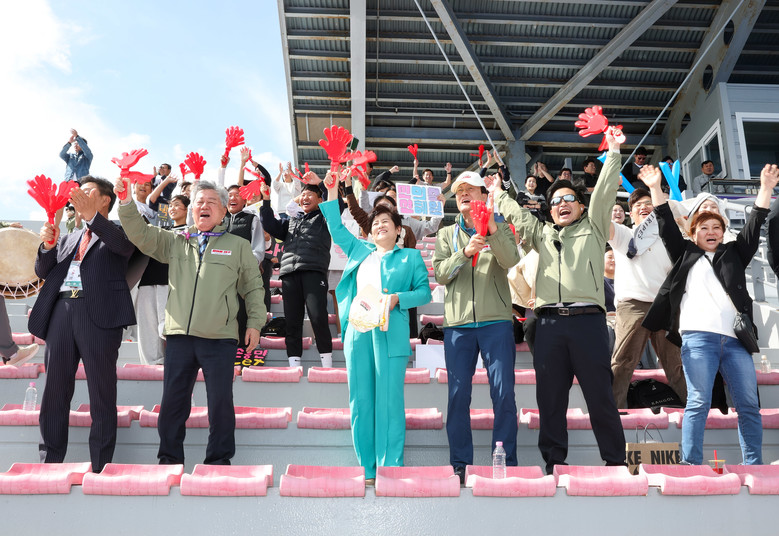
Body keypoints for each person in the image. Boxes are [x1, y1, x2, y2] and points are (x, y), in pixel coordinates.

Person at [491, 129, 626, 475]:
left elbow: (605, 191)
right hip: (549, 324)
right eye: (554, 201)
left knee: (600, 396)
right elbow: (519, 216)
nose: (561, 204)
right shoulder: (542, 234)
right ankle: (554, 463)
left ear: (580, 205)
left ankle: (616, 461)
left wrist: (612, 151)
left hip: (588, 324)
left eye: (568, 199)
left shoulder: (594, 227)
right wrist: (498, 194)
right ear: (549, 211)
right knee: (550, 399)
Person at [116, 178, 265, 466]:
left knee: (220, 402)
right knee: (173, 402)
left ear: (223, 211)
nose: (204, 206)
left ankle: (219, 460)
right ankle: (169, 459)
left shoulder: (238, 245)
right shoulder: (176, 240)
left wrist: (255, 323)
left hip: (219, 338)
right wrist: (125, 202)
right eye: (199, 202)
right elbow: (140, 233)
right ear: (192, 209)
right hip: (179, 337)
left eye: (212, 202)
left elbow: (253, 288)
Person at [641, 163, 779, 466]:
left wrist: (766, 188)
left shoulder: (734, 253)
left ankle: (753, 463)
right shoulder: (685, 253)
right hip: (698, 339)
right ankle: (691, 462)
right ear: (693, 232)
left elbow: (755, 221)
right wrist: (654, 188)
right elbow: (664, 221)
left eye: (716, 227)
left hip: (736, 342)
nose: (711, 231)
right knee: (698, 402)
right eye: (703, 227)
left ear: (723, 231)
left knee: (748, 405)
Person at [320, 171, 430, 481]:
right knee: (361, 400)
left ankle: (390, 466)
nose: (380, 225)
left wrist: (397, 298)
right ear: (369, 231)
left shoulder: (410, 258)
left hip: (390, 334)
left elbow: (424, 292)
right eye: (376, 222)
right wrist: (332, 191)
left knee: (390, 401)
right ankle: (367, 468)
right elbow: (335, 227)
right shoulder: (359, 250)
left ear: (399, 230)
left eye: (387, 222)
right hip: (358, 332)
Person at [29, 176, 136, 472]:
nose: (79, 195)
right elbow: (43, 270)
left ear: (105, 200)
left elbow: (123, 247)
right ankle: (50, 462)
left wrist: (92, 218)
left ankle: (100, 465)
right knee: (54, 390)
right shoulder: (68, 238)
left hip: (99, 314)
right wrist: (48, 245)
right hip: (61, 312)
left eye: (87, 192)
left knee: (102, 391)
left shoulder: (118, 231)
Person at [432, 171, 520, 484]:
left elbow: (511, 260)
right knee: (458, 396)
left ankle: (506, 461)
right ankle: (460, 464)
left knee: (503, 393)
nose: (465, 195)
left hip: (496, 321)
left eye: (471, 189)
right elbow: (440, 274)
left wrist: (492, 229)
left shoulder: (501, 226)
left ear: (484, 195)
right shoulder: (446, 234)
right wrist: (465, 252)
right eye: (460, 192)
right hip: (458, 325)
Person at [608, 188, 687, 408]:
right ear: (630, 214)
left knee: (675, 364)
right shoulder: (624, 234)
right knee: (623, 362)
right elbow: (602, 223)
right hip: (633, 306)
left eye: (648, 203)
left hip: (666, 305)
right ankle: (614, 414)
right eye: (637, 205)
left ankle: (694, 413)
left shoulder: (670, 237)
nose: (643, 207)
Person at [261, 183, 333, 368]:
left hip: (313, 271)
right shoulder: (291, 221)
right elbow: (269, 224)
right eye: (303, 195)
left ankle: (327, 365)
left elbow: (335, 203)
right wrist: (266, 200)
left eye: (310, 195)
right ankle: (294, 364)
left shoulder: (325, 218)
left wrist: (322, 184)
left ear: (320, 200)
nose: (304, 198)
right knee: (293, 321)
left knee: (318, 317)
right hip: (289, 274)